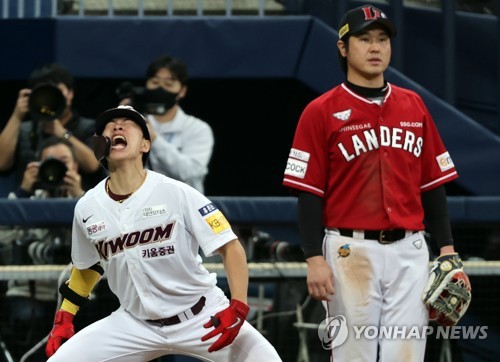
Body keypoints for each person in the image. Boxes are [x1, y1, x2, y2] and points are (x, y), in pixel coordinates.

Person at [282, 5, 471, 361]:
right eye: (364, 39)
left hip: (411, 251)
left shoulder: (413, 105)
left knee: (408, 355)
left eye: (382, 39)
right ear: (343, 48)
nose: (375, 47)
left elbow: (432, 183)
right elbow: (308, 192)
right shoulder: (320, 111)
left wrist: (447, 250)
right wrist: (312, 258)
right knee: (354, 355)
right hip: (349, 250)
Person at [45, 105, 281, 361]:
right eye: (109, 126)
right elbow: (88, 267)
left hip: (202, 315)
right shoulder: (87, 206)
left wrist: (238, 306)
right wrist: (65, 316)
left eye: (129, 123)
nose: (117, 127)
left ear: (145, 144)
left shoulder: (178, 192)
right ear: (99, 146)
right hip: (134, 324)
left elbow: (230, 247)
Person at [0, 136, 84, 361]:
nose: (57, 166)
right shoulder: (24, 202)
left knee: (88, 321)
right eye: (50, 161)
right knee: (26, 319)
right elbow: (3, 236)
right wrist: (23, 191)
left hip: (78, 293)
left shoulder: (91, 201)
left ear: (75, 166)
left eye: (64, 161)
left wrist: (79, 195)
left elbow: (103, 239)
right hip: (29, 291)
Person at [0, 63, 107, 191]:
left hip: (76, 203)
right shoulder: (24, 130)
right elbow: (2, 163)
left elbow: (93, 164)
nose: (50, 98)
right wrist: (17, 116)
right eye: (45, 93)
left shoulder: (88, 127)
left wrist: (62, 133)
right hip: (30, 205)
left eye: (57, 91)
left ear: (70, 94)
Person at [119, 55, 214, 194]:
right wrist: (120, 121)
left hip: (183, 208)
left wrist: (154, 139)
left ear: (182, 91)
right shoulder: (133, 123)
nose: (160, 89)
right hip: (139, 205)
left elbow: (191, 172)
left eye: (168, 84)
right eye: (155, 82)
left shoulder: (198, 129)